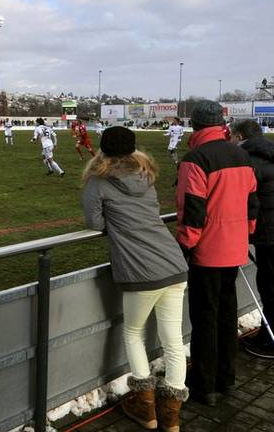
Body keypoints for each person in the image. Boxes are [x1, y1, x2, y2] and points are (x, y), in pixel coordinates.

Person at [82, 126, 188, 430]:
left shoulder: (98, 180)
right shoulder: (145, 175)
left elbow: (93, 221)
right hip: (173, 263)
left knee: (133, 333)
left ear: (104, 148)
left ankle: (147, 408)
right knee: (173, 340)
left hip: (141, 271)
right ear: (132, 148)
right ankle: (171, 415)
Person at [176, 100, 259, 406]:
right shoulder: (241, 154)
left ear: (195, 125)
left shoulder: (196, 157)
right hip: (234, 248)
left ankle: (204, 385)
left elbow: (193, 211)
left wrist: (185, 245)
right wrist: (245, 233)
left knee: (205, 320)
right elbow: (253, 202)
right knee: (226, 317)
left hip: (207, 252)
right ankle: (227, 380)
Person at [230, 119, 274, 359]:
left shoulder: (249, 161)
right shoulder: (267, 153)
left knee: (269, 286)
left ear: (239, 137)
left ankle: (269, 340)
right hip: (267, 233)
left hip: (268, 235)